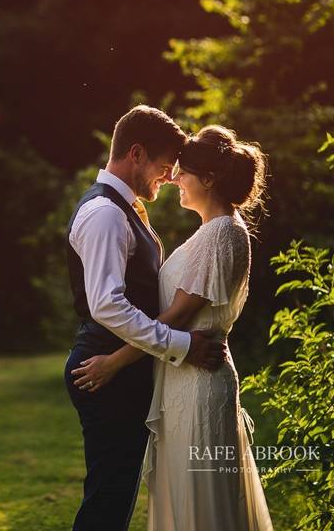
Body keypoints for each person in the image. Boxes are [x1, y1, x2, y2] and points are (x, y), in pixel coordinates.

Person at [72, 124, 274, 530]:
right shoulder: (211, 232)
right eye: (171, 167)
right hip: (183, 376)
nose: (174, 177)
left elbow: (178, 316)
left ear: (210, 179)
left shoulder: (220, 234)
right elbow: (123, 307)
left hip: (197, 380)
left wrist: (114, 361)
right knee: (158, 495)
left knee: (196, 500)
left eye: (182, 171)